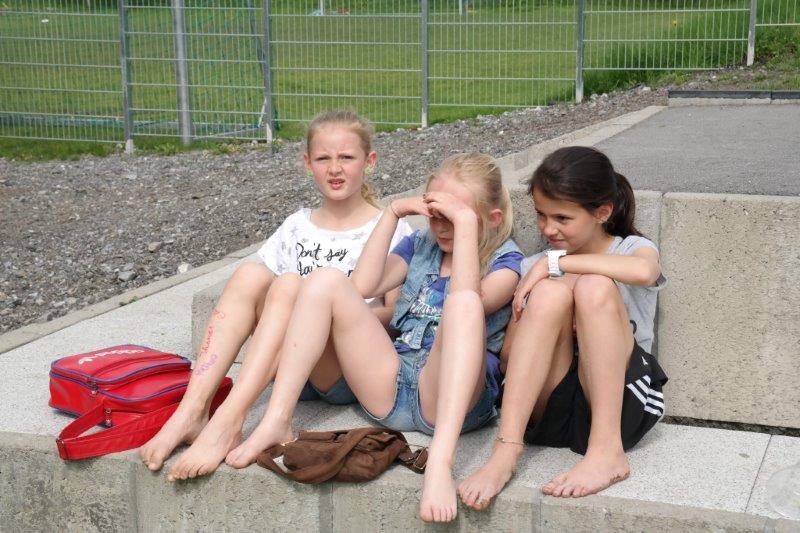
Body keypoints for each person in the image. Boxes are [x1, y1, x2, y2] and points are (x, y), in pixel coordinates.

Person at [223, 153, 522, 522]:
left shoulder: (507, 262)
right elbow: (363, 286)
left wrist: (465, 228)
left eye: (455, 216)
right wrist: (392, 213)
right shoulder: (421, 244)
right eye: (436, 215)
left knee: (463, 304)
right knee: (327, 280)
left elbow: (467, 297)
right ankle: (277, 418)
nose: (442, 226)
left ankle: (440, 464)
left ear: (492, 218)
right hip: (391, 383)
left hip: (448, 397)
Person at [138, 110, 412, 479]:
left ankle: (228, 421)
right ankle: (192, 410)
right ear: (308, 164)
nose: (335, 168)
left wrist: (331, 316)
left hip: (341, 367)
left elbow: (396, 315)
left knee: (295, 288)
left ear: (369, 161)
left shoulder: (390, 230)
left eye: (347, 157)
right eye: (323, 158)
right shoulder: (296, 225)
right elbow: (264, 298)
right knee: (253, 275)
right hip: (287, 367)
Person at [459, 146, 668, 509]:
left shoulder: (630, 248)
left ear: (602, 212)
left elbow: (646, 272)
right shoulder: (536, 265)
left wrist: (560, 265)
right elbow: (508, 359)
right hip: (548, 409)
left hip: (622, 407)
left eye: (562, 218)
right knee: (551, 295)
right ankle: (506, 450)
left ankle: (606, 453)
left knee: (593, 286)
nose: (547, 228)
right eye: (541, 215)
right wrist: (551, 287)